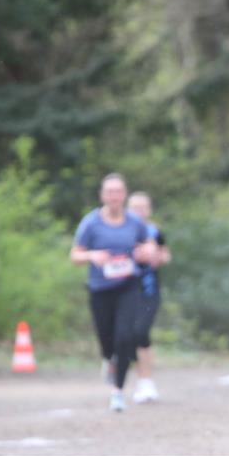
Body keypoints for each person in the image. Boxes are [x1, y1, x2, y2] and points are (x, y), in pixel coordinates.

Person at [71, 174, 156, 412]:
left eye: (118, 191)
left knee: (125, 337)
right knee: (107, 340)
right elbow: (75, 255)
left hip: (128, 286)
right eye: (110, 192)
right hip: (100, 290)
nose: (114, 196)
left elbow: (149, 244)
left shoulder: (134, 221)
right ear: (102, 195)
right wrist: (92, 256)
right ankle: (108, 358)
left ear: (124, 194)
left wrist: (146, 251)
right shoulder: (91, 223)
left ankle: (117, 392)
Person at [126, 191, 170, 404]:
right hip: (123, 292)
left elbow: (166, 254)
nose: (139, 211)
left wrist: (155, 256)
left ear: (149, 209)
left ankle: (146, 380)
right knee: (126, 336)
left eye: (143, 207)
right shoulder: (120, 231)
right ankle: (122, 366)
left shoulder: (154, 230)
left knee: (141, 332)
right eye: (135, 207)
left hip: (148, 292)